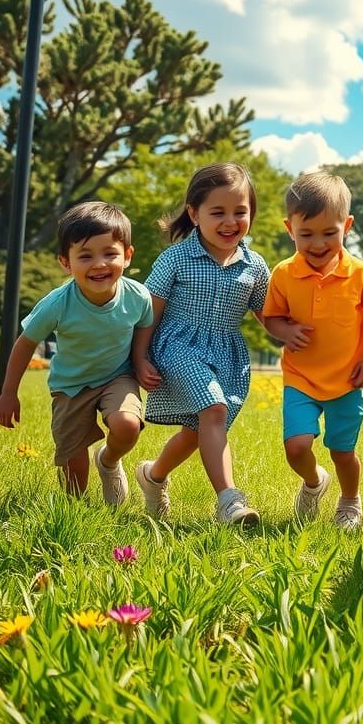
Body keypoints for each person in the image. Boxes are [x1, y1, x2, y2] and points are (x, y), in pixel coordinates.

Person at [132, 163, 270, 526]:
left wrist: (289, 334)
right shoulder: (175, 258)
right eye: (218, 212)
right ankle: (229, 501)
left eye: (240, 212)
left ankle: (153, 475)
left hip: (227, 356)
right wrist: (139, 357)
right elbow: (150, 311)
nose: (230, 221)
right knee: (214, 409)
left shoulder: (254, 266)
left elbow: (267, 313)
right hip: (177, 346)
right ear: (194, 214)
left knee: (199, 431)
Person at [0, 202, 153, 500]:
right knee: (72, 466)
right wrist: (8, 392)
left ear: (127, 256)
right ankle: (76, 513)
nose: (99, 264)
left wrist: (140, 360)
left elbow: (144, 324)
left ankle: (108, 461)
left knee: (128, 425)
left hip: (117, 377)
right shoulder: (57, 303)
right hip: (70, 386)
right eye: (85, 256)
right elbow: (26, 342)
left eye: (110, 253)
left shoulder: (138, 297)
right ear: (66, 263)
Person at [263, 171, 363, 529]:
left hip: (348, 379)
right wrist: (285, 331)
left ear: (346, 225)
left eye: (329, 233)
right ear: (290, 229)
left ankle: (350, 500)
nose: (318, 244)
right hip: (301, 378)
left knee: (342, 451)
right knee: (297, 447)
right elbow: (271, 317)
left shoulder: (361, 273)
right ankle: (314, 482)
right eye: (306, 235)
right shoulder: (284, 274)